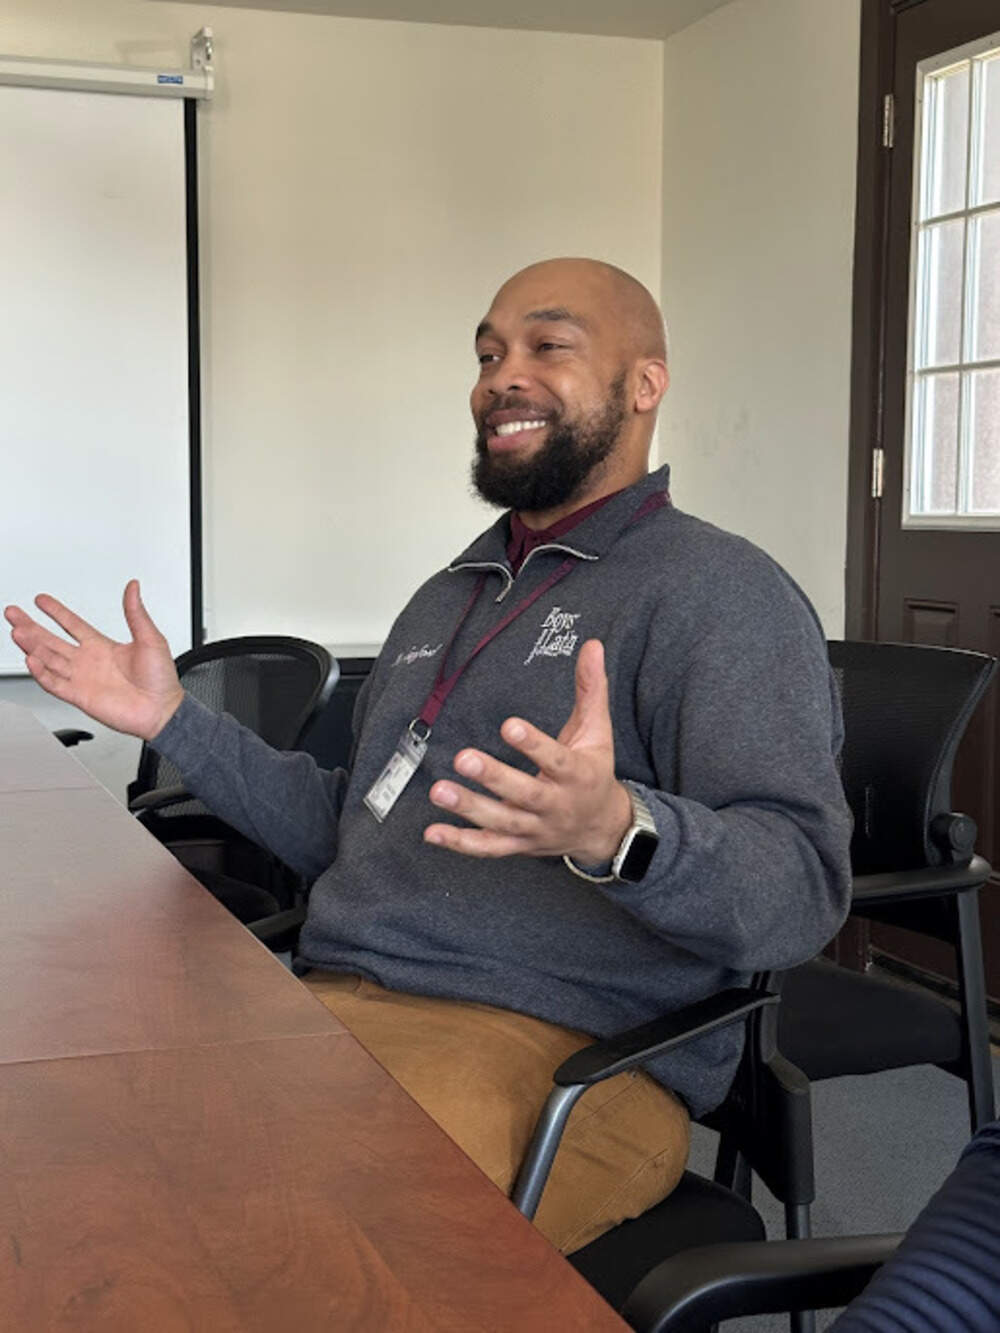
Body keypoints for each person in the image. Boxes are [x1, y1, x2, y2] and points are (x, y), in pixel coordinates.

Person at [4, 258, 852, 1254]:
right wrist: (172, 721)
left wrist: (620, 832)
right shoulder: (448, 597)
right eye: (488, 352)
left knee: (259, 1253)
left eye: (548, 345)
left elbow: (798, 892)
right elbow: (347, 829)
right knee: (71, 1172)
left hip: (558, 1053)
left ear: (644, 383)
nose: (501, 374)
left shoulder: (720, 594)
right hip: (324, 1009)